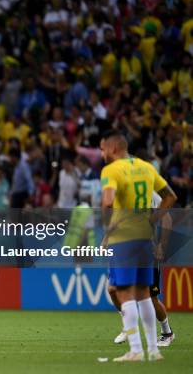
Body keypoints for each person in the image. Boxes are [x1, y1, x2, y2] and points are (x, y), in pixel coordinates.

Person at [100, 131, 177, 362]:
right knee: (142, 294)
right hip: (145, 239)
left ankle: (135, 349)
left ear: (113, 148)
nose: (102, 153)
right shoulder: (146, 168)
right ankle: (153, 350)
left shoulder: (111, 170)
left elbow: (107, 201)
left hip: (125, 239)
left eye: (103, 149)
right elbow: (170, 196)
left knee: (124, 293)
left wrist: (108, 228)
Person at [109, 191, 175, 347]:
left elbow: (167, 218)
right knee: (113, 289)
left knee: (150, 298)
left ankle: (167, 333)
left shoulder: (148, 192)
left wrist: (162, 246)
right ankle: (127, 326)